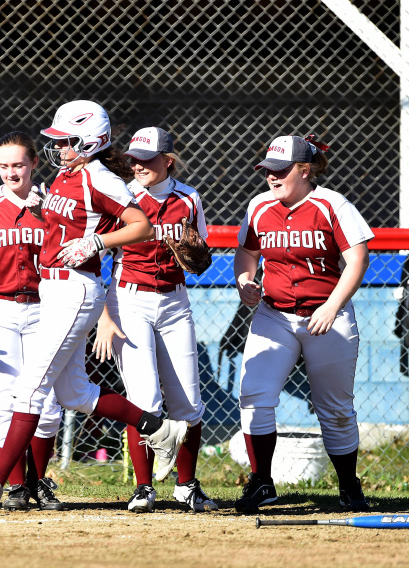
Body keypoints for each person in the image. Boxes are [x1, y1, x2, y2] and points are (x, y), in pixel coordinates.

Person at [0, 100, 188, 512]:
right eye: (58, 142)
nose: (60, 149)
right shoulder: (66, 175)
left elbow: (141, 224)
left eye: (68, 142)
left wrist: (97, 242)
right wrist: (46, 213)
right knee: (75, 393)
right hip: (54, 288)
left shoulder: (99, 177)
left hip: (75, 288)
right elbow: (67, 221)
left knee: (30, 388)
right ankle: (159, 428)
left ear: (91, 141)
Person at [232, 134, 372, 513]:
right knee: (254, 395)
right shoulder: (259, 206)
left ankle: (348, 485)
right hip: (274, 313)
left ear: (304, 170)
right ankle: (262, 482)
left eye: (280, 171)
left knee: (335, 408)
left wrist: (332, 306)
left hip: (328, 315)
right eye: (267, 171)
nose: (271, 178)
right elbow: (246, 252)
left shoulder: (331, 204)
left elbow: (358, 259)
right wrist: (244, 281)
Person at [92, 127, 218, 513]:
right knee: (144, 399)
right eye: (134, 159)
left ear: (168, 161)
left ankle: (186, 486)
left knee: (188, 402)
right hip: (129, 299)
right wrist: (103, 315)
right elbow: (93, 258)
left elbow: (201, 258)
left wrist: (197, 257)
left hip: (175, 301)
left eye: (147, 159)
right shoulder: (123, 196)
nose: (138, 165)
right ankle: (143, 488)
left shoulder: (188, 197)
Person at [0, 131, 64, 510]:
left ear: (34, 163)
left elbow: (64, 254)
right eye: (3, 166)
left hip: (45, 307)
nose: (11, 172)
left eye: (18, 164)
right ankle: (18, 486)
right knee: (7, 400)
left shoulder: (52, 201)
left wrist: (45, 215)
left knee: (48, 403)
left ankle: (38, 480)